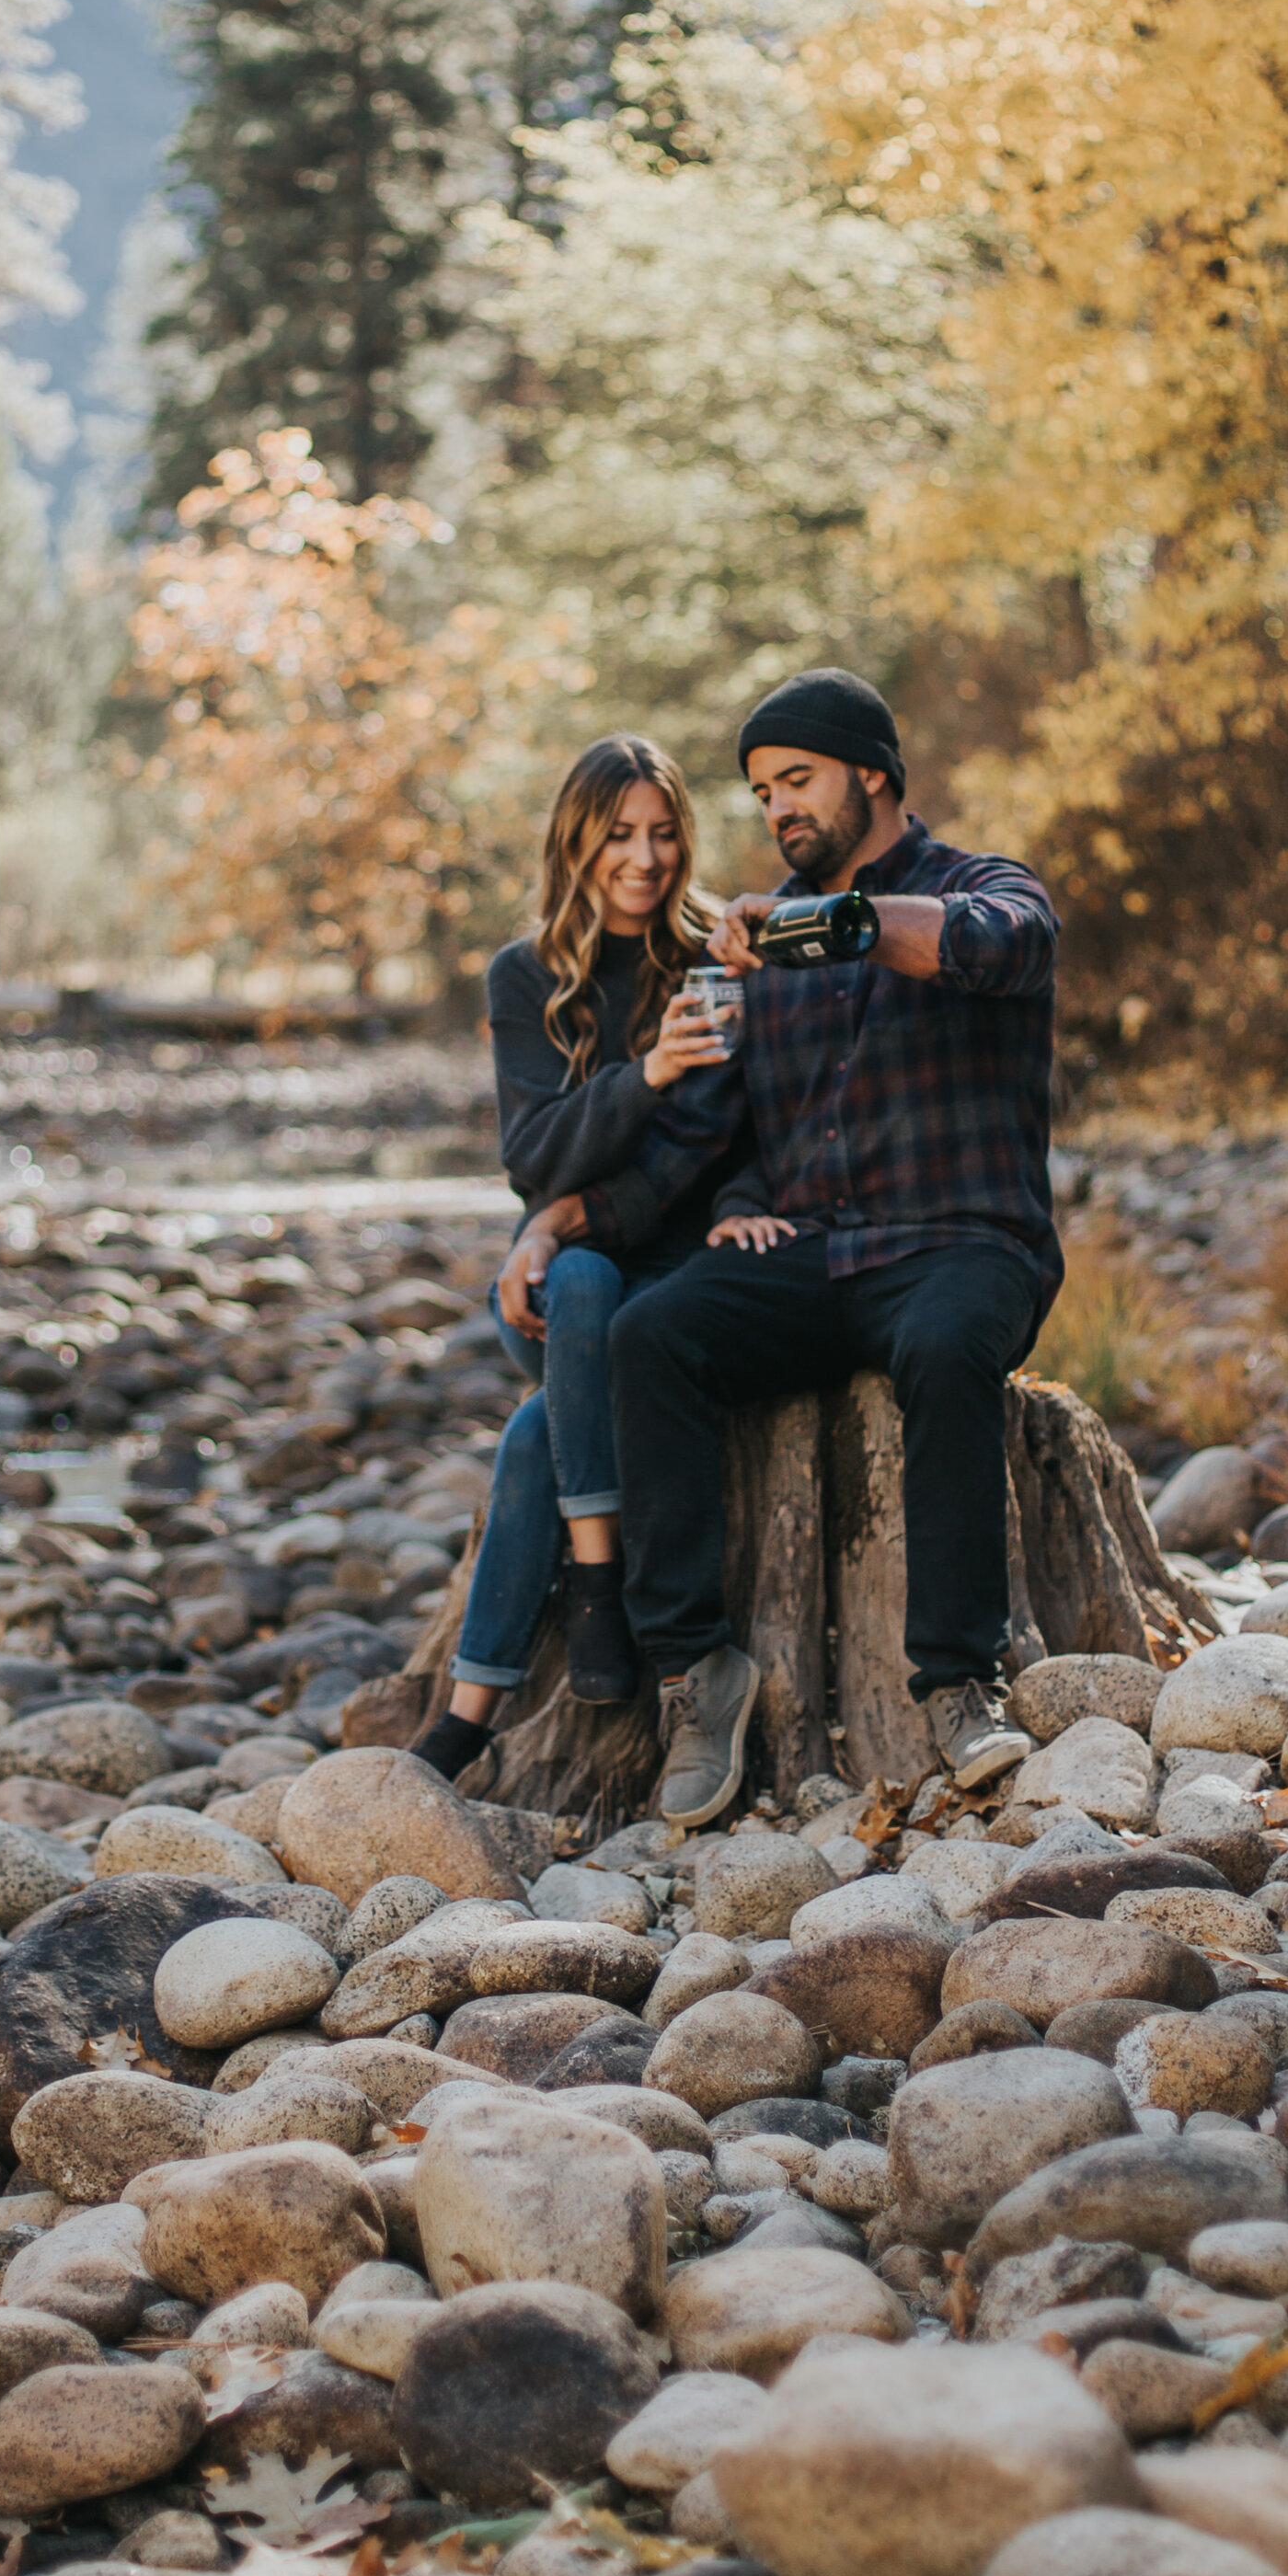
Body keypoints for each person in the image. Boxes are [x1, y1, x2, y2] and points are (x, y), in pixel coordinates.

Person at [506, 667, 1062, 1829]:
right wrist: (553, 1226)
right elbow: (685, 1152)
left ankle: (958, 1681)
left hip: (963, 1245)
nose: (776, 813)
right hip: (817, 1257)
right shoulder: (753, 955)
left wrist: (835, 927)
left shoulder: (977, 886)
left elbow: (1001, 946)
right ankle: (697, 1667)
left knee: (951, 1344)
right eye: (761, 794)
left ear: (873, 774)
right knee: (652, 1332)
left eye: (796, 783)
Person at [408, 735, 730, 1785]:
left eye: (663, 832)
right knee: (581, 1282)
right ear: (576, 845)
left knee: (537, 1436)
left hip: (672, 1284)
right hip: (552, 1291)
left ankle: (464, 1717)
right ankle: (600, 1584)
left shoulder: (719, 959)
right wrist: (645, 1077)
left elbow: (713, 1155)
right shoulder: (525, 976)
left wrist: (566, 1215)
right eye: (618, 837)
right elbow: (531, 1155)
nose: (644, 859)